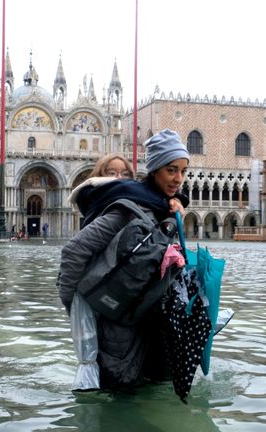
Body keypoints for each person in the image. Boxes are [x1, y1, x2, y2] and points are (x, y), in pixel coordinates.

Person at [58, 129, 191, 390]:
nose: (179, 179)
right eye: (171, 170)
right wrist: (74, 307)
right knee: (121, 398)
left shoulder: (162, 207)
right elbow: (73, 252)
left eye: (183, 172)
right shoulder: (127, 209)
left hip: (149, 326)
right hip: (118, 335)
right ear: (154, 170)